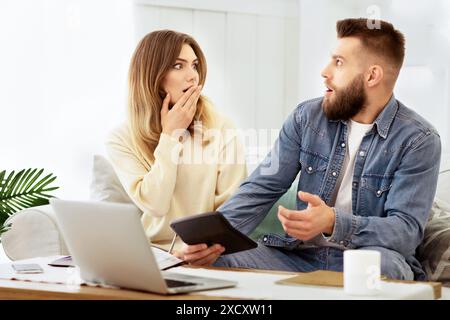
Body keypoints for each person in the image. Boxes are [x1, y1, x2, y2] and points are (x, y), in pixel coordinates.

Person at [179, 18, 441, 281]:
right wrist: (209, 242)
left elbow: (405, 231)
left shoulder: (419, 140)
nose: (325, 71)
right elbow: (260, 189)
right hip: (297, 257)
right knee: (218, 259)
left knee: (384, 268)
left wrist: (333, 222)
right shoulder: (307, 117)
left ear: (372, 75)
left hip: (367, 258)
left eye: (338, 62)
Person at [106, 30, 247, 259]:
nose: (193, 76)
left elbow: (234, 205)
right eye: (179, 66)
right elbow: (156, 204)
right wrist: (170, 136)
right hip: (151, 255)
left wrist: (206, 247)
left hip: (208, 252)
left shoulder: (221, 128)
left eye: (195, 65)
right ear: (152, 74)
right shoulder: (120, 138)